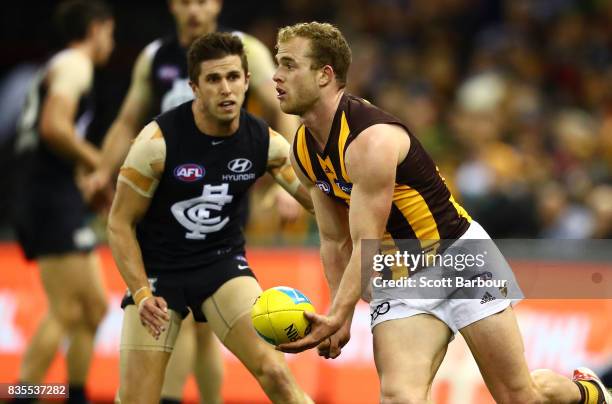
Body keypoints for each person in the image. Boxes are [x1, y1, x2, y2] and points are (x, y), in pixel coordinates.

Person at [273, 22, 611, 404]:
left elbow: (365, 240)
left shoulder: (370, 139)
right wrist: (339, 314)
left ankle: (587, 393)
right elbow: (335, 239)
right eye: (277, 64)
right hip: (399, 278)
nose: (276, 75)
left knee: (520, 397)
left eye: (288, 64)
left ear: (324, 75)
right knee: (401, 397)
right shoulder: (301, 150)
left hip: (459, 259)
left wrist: (340, 312)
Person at [81, 2, 301, 402]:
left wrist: (365, 208)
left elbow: (315, 189)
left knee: (275, 372)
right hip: (160, 268)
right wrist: (142, 293)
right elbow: (119, 223)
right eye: (214, 79)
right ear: (194, 86)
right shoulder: (153, 143)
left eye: (234, 78)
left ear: (247, 80)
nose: (226, 88)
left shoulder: (262, 138)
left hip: (220, 259)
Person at [10, 1, 114, 403]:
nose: (112, 41)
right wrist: (99, 165)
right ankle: (23, 396)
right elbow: (54, 128)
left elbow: (55, 140)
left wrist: (87, 179)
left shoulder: (62, 65)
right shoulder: (75, 64)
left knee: (92, 309)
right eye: (110, 32)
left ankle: (75, 394)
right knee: (67, 310)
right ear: (95, 29)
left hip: (54, 191)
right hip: (45, 195)